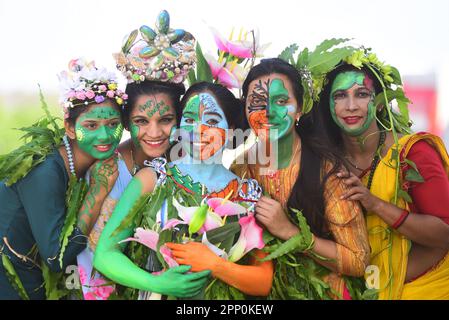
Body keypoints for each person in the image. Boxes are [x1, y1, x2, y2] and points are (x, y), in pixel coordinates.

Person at [94, 82, 273, 299]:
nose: (198, 130)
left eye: (213, 121)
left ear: (232, 129)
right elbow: (104, 254)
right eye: (189, 120)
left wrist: (216, 265)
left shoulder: (247, 195)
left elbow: (263, 282)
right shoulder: (153, 179)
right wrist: (157, 283)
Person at [316, 48, 449, 299]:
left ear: (378, 102)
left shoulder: (412, 153)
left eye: (362, 94)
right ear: (329, 106)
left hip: (427, 289)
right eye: (340, 96)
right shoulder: (326, 163)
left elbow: (444, 232)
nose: (351, 105)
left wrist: (375, 204)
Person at [232, 58, 370, 299]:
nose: (268, 112)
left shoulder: (329, 171)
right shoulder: (240, 168)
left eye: (281, 101)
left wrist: (290, 233)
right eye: (257, 103)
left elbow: (358, 260)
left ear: (299, 108)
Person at [76, 10, 190, 300]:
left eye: (165, 120)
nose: (154, 132)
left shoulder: (185, 165)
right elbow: (91, 254)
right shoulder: (108, 172)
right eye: (141, 121)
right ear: (126, 122)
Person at [0, 58, 127, 299]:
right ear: (69, 127)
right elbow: (56, 258)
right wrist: (97, 194)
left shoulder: (74, 163)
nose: (104, 135)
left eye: (113, 124)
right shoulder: (45, 171)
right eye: (90, 125)